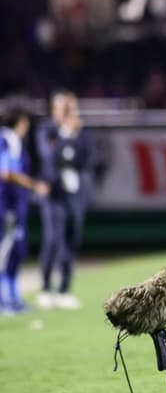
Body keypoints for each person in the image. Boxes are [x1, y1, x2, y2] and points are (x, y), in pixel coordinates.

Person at [35, 91, 92, 310]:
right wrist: (65, 135)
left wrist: (72, 137)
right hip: (53, 194)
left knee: (72, 239)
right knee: (53, 239)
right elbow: (49, 159)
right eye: (64, 109)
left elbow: (84, 158)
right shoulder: (47, 131)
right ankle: (46, 287)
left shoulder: (81, 133)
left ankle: (64, 289)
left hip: (74, 194)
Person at [0, 106, 48, 314]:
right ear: (20, 121)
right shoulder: (6, 140)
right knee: (6, 251)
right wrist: (34, 185)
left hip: (15, 206)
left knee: (17, 252)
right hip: (6, 205)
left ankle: (14, 296)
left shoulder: (13, 141)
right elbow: (6, 172)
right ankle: (4, 300)